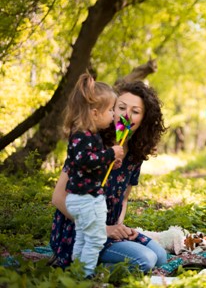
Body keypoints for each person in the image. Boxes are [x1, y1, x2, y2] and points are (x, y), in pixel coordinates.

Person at [50, 80, 168, 274]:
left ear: (144, 119)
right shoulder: (90, 145)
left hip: (110, 229)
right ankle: (76, 267)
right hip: (81, 230)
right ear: (110, 109)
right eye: (120, 107)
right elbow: (58, 198)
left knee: (161, 257)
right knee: (146, 260)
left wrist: (118, 226)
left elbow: (123, 198)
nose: (126, 115)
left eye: (135, 111)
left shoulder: (135, 153)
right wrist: (103, 229)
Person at [62, 73, 125, 277]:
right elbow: (83, 161)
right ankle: (85, 275)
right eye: (110, 110)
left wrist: (110, 162)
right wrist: (110, 153)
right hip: (85, 199)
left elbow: (89, 166)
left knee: (83, 237)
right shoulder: (81, 136)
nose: (114, 115)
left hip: (84, 198)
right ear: (95, 113)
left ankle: (76, 272)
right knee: (96, 239)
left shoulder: (90, 136)